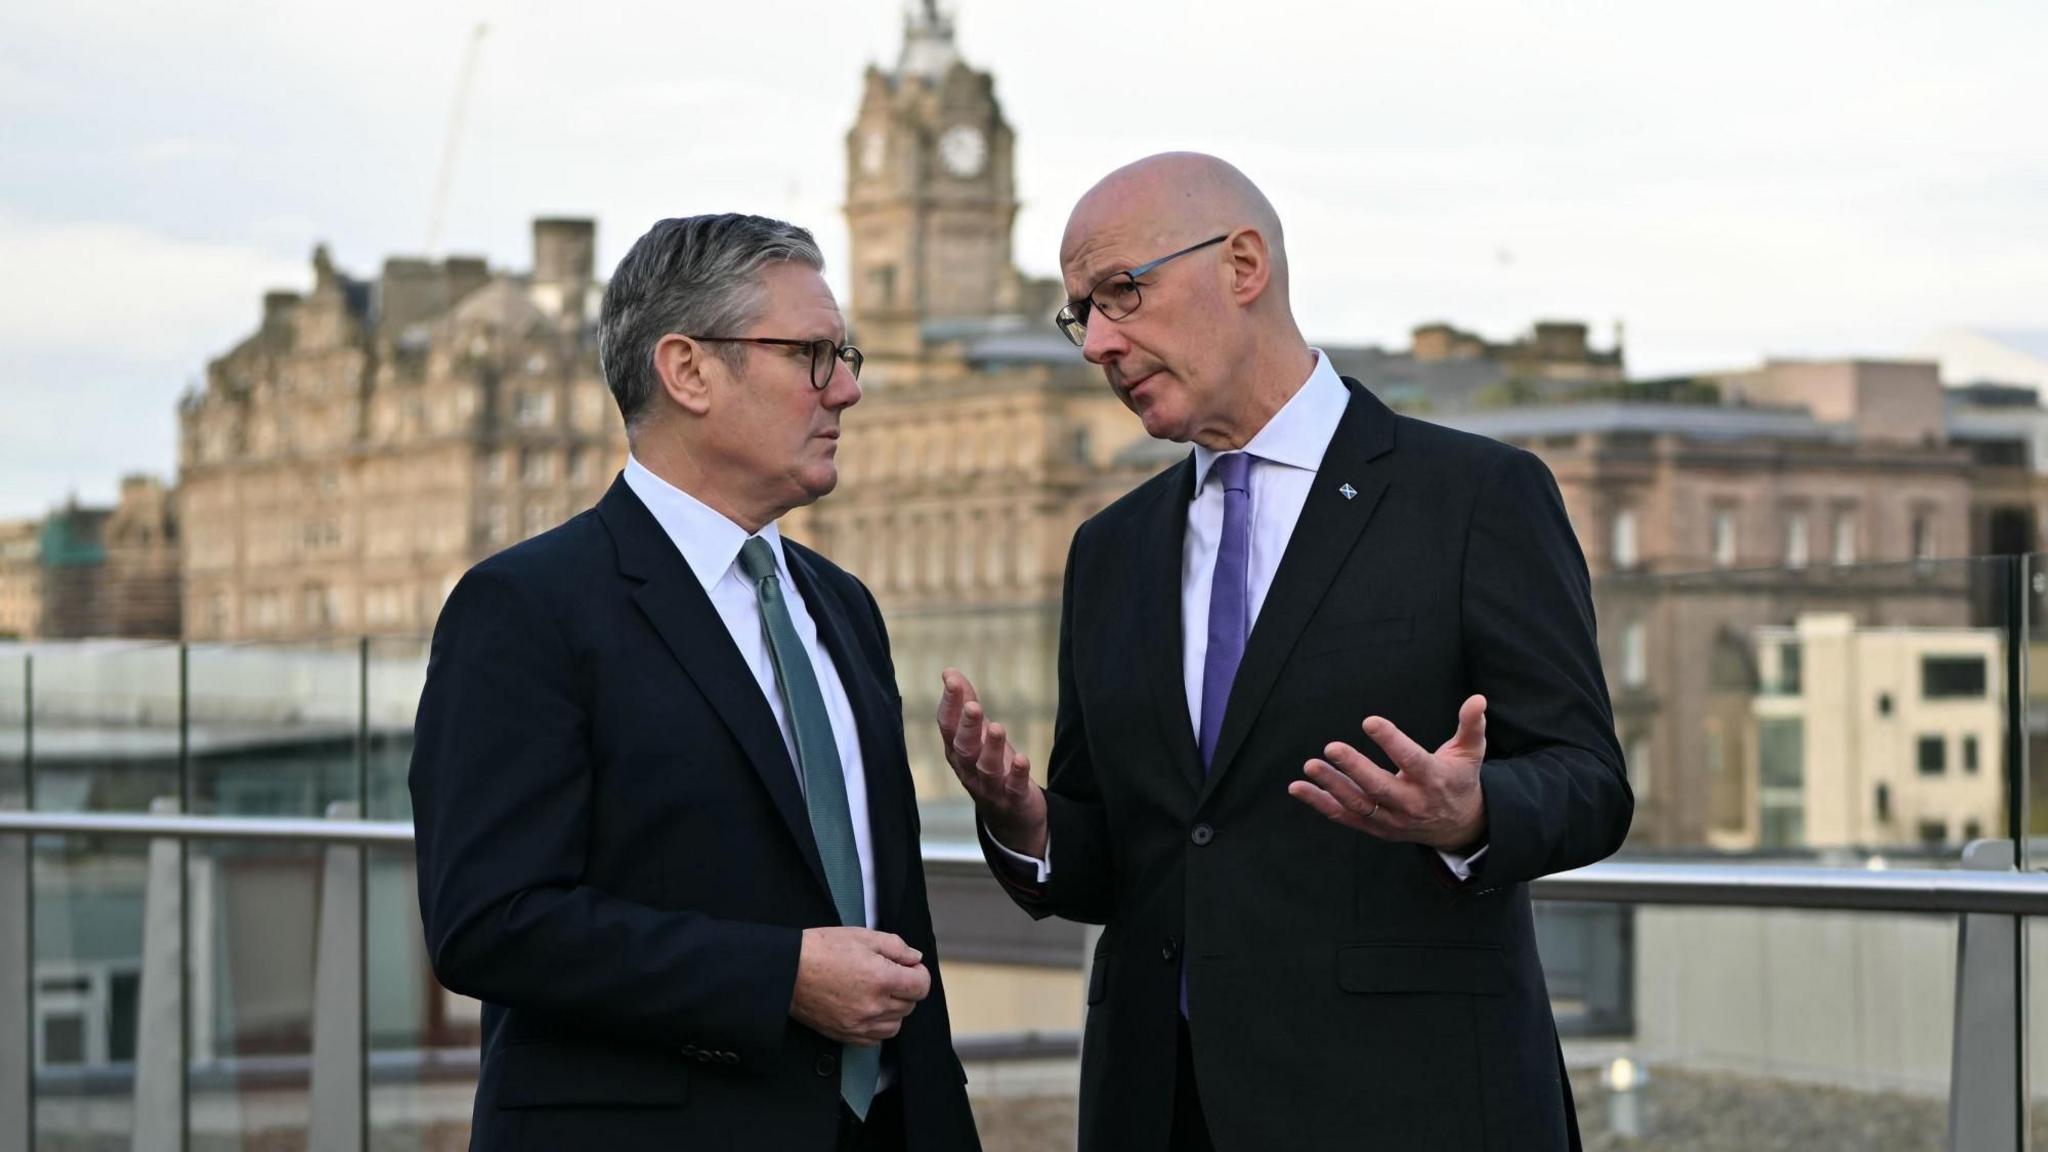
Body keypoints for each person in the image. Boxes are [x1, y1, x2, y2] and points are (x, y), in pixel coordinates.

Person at [938, 154, 1632, 1151]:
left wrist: (1469, 811)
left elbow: (1590, 783)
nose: (1096, 342)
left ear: (1243, 265)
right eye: (1078, 314)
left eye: (1120, 294)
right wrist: (1023, 820)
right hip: (1159, 1109)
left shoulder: (1474, 498)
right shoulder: (1110, 550)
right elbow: (1118, 857)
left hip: (1408, 1104)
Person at [411, 214, 981, 1151]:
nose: (849, 388)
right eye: (812, 355)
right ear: (687, 371)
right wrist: (780, 976)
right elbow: (491, 921)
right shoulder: (525, 608)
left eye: (846, 354)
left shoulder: (843, 607)